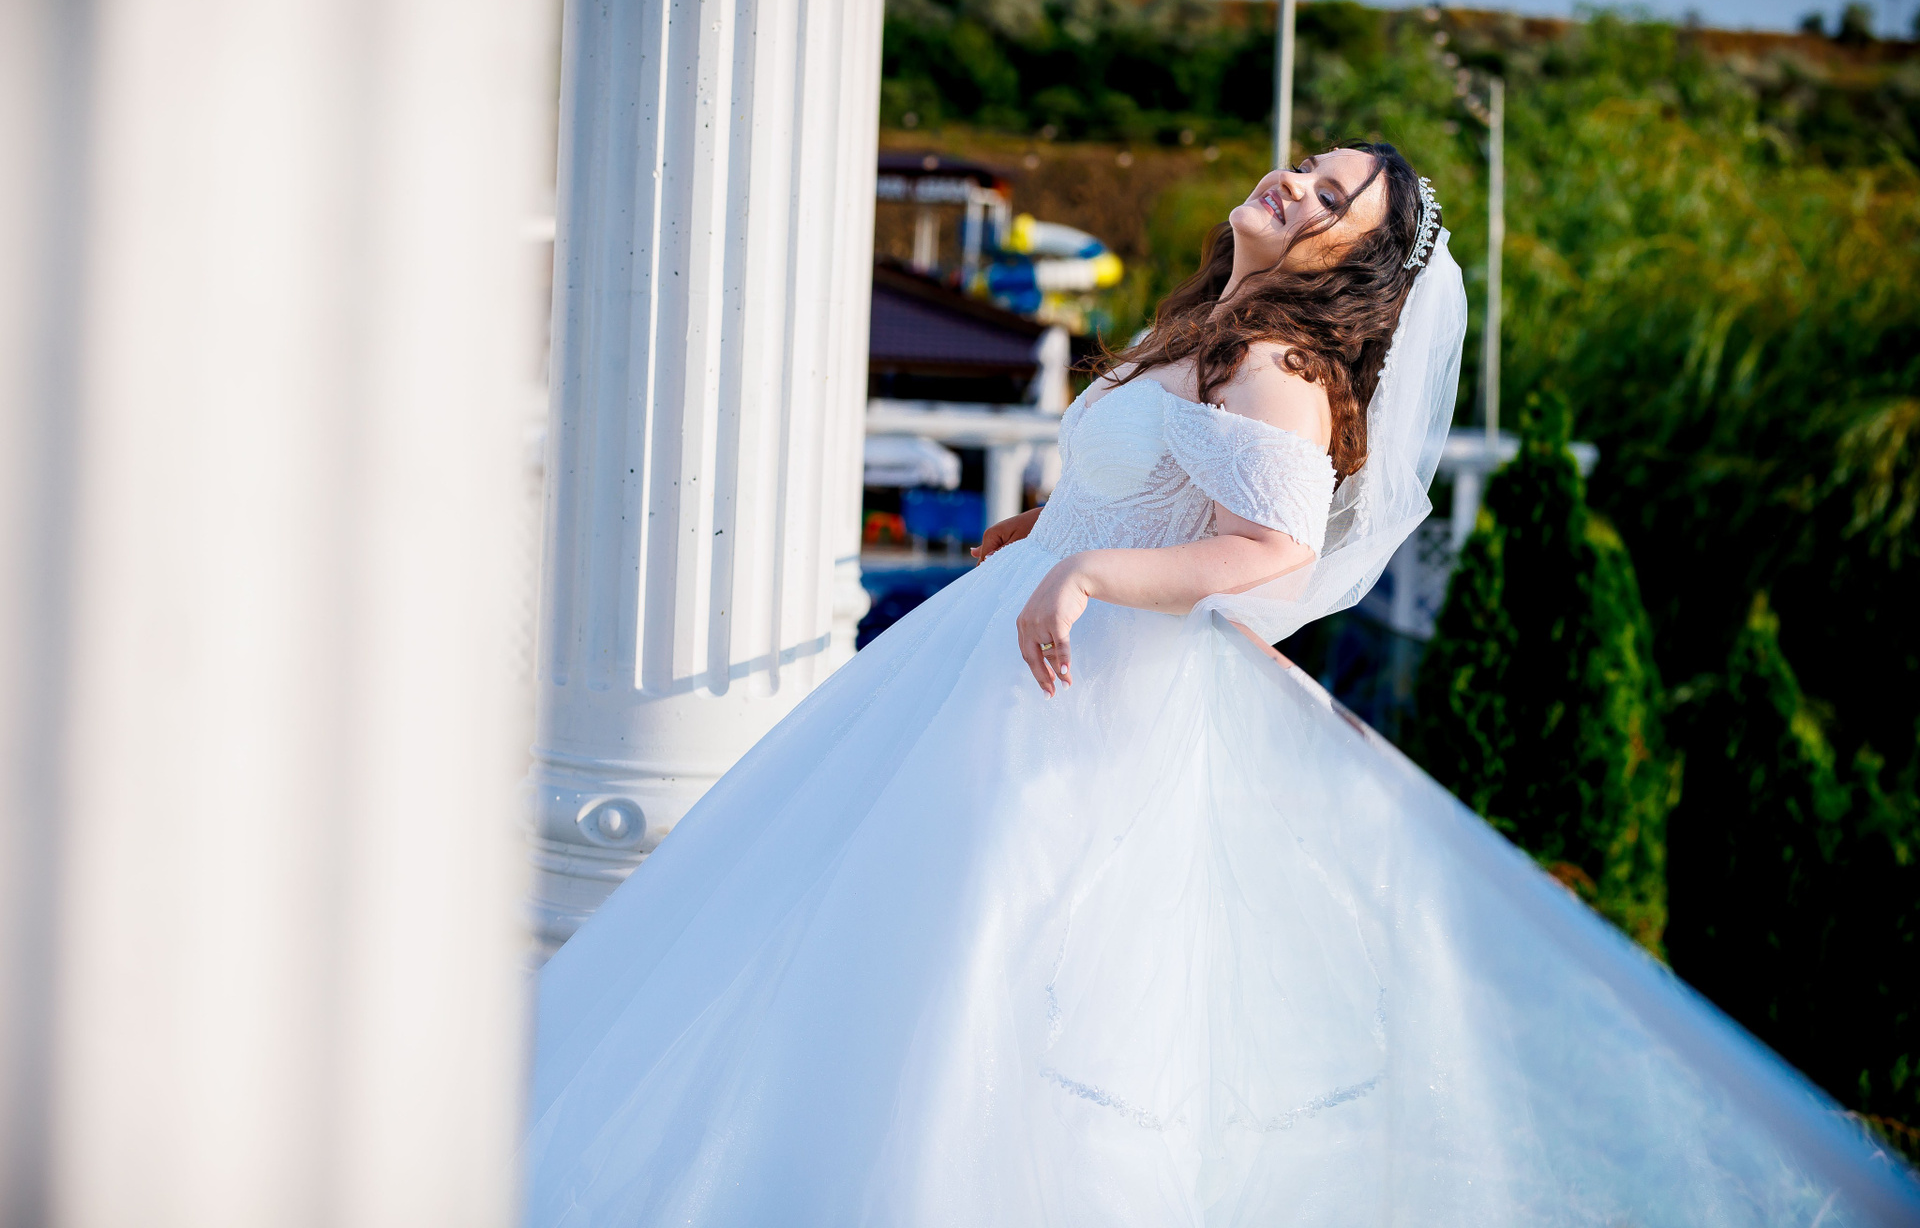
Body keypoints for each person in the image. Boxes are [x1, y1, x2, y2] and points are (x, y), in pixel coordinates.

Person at [524, 147, 1919, 1226]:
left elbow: (1271, 546)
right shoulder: (1205, 327)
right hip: (999, 661)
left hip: (1072, 706)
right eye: (1308, 165)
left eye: (1331, 196)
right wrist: (1047, 534)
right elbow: (1154, 488)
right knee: (872, 936)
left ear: (1351, 264)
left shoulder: (1277, 363)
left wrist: (1090, 574)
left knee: (986, 968)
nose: (1295, 182)